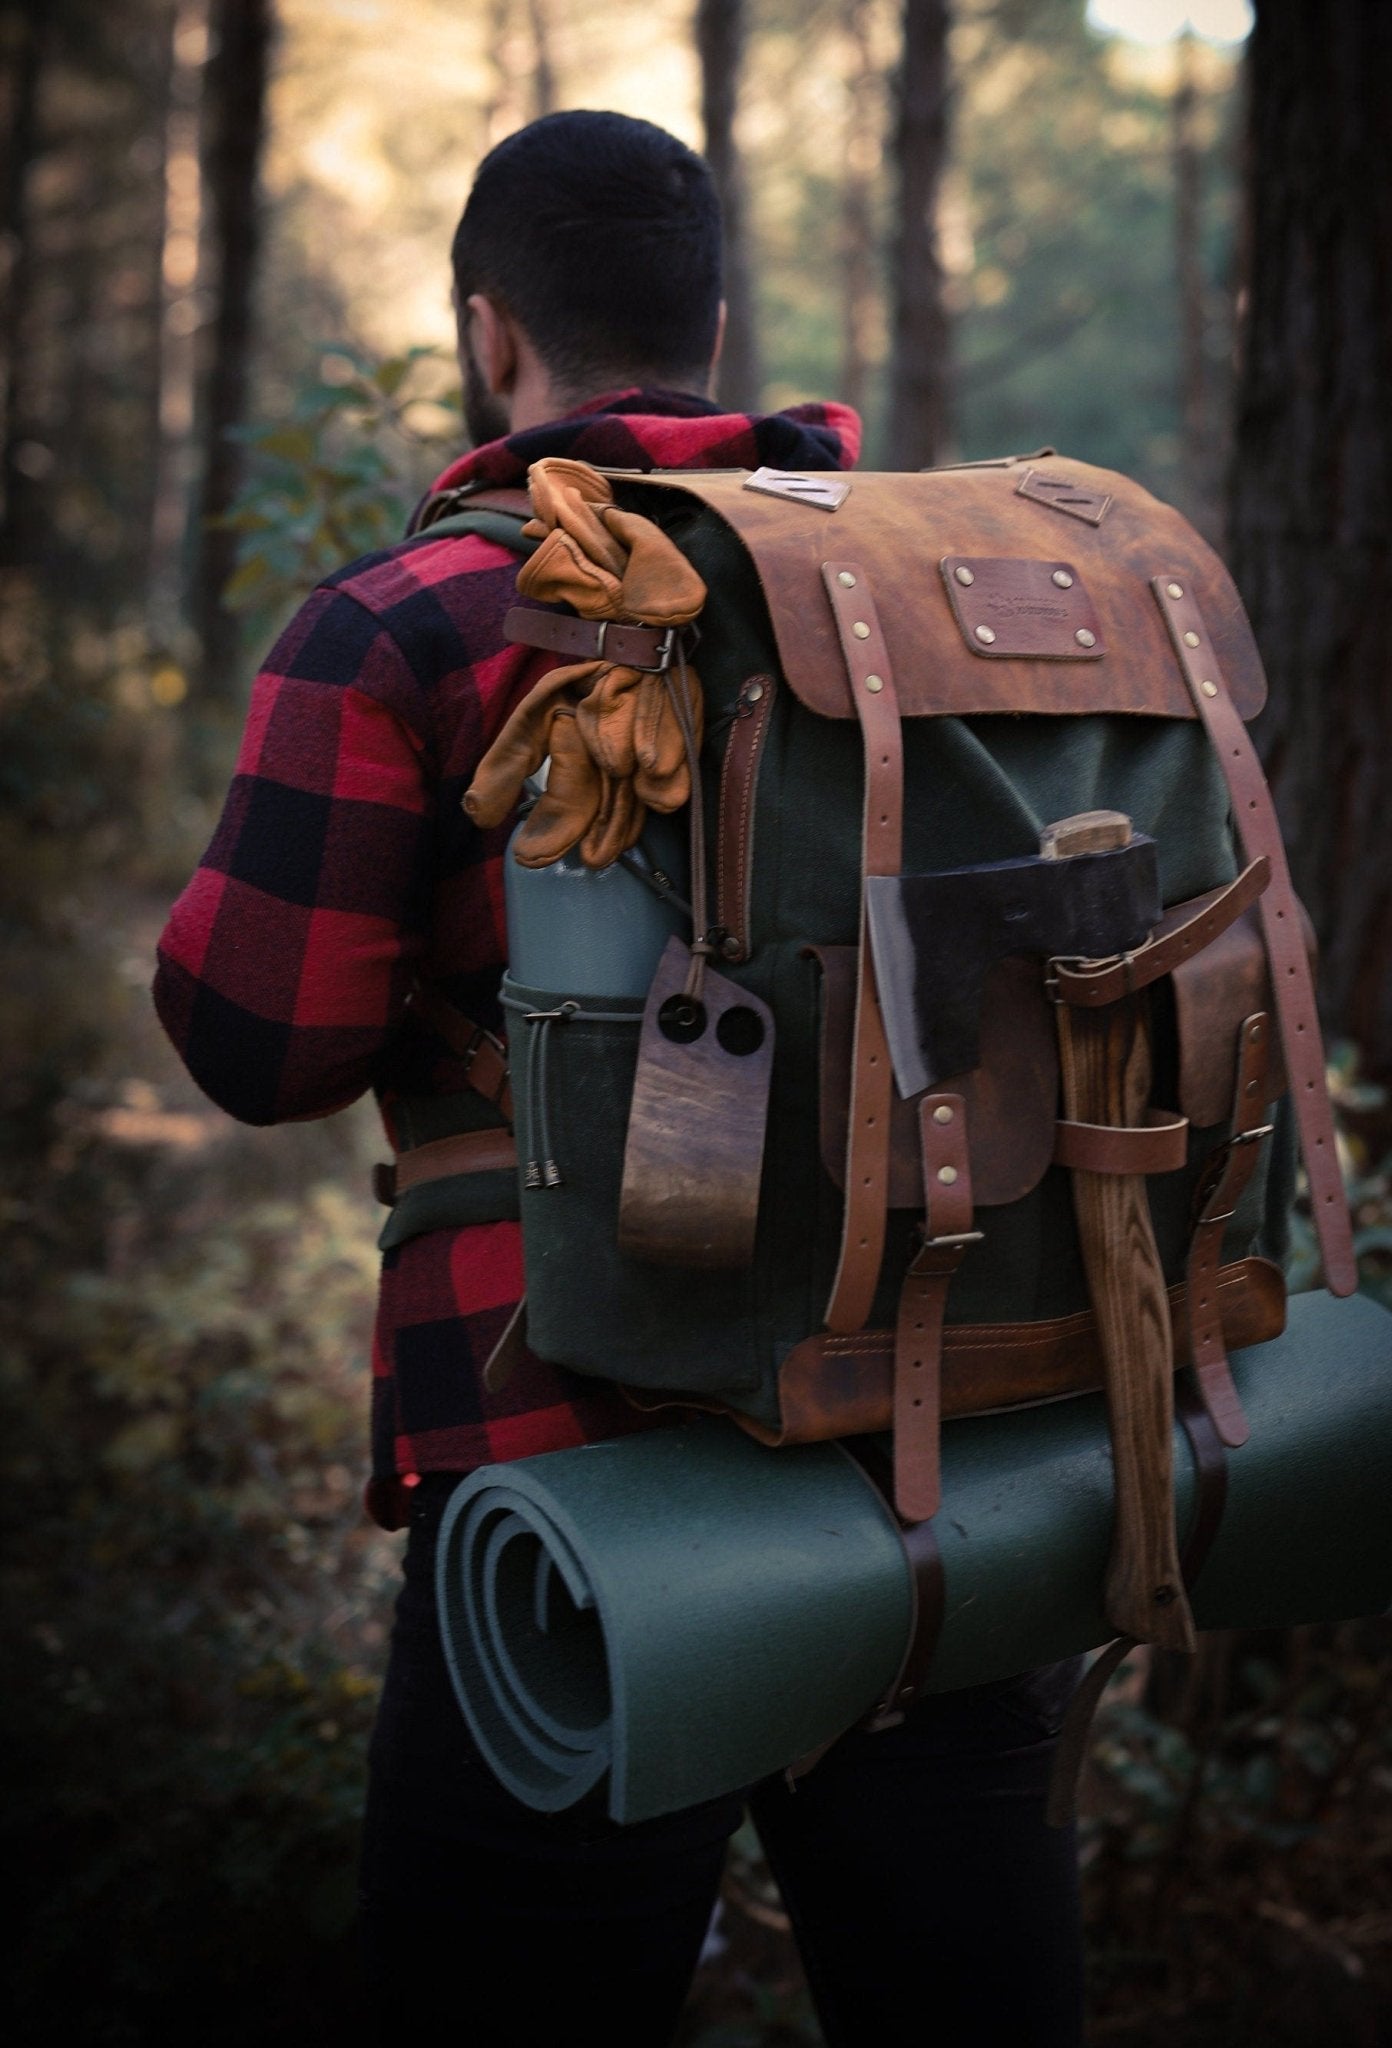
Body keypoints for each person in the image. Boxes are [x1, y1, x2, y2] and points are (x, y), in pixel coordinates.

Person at [154, 111, 1085, 2046]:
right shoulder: (918, 594)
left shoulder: (403, 624)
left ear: (490, 333)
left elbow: (260, 1044)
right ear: (716, 327)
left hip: (567, 1478)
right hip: (934, 1437)